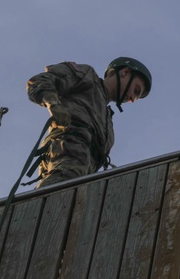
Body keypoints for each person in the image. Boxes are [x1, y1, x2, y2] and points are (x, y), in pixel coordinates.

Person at [26, 57, 152, 187]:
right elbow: (40, 81)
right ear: (125, 72)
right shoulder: (87, 76)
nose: (132, 99)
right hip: (68, 148)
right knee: (62, 189)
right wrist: (52, 103)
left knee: (70, 196)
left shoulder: (107, 120)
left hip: (85, 170)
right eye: (136, 90)